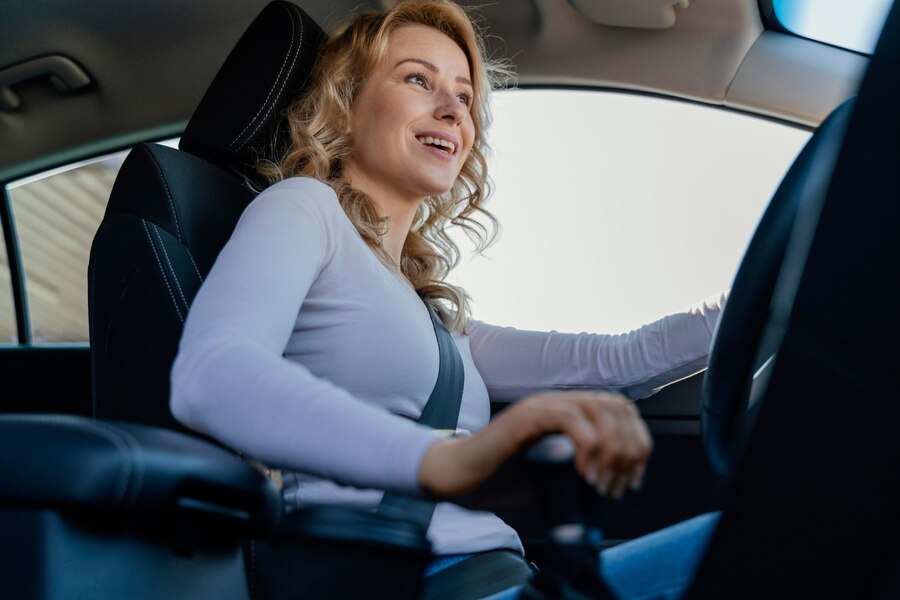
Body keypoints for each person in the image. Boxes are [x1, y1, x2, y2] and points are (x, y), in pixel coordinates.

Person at [170, 1, 725, 597]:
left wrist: (774, 296)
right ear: (346, 103)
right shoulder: (305, 209)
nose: (452, 110)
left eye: (464, 97)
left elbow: (618, 364)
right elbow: (212, 374)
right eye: (417, 79)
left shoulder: (431, 312)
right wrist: (445, 461)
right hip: (409, 580)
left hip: (505, 576)